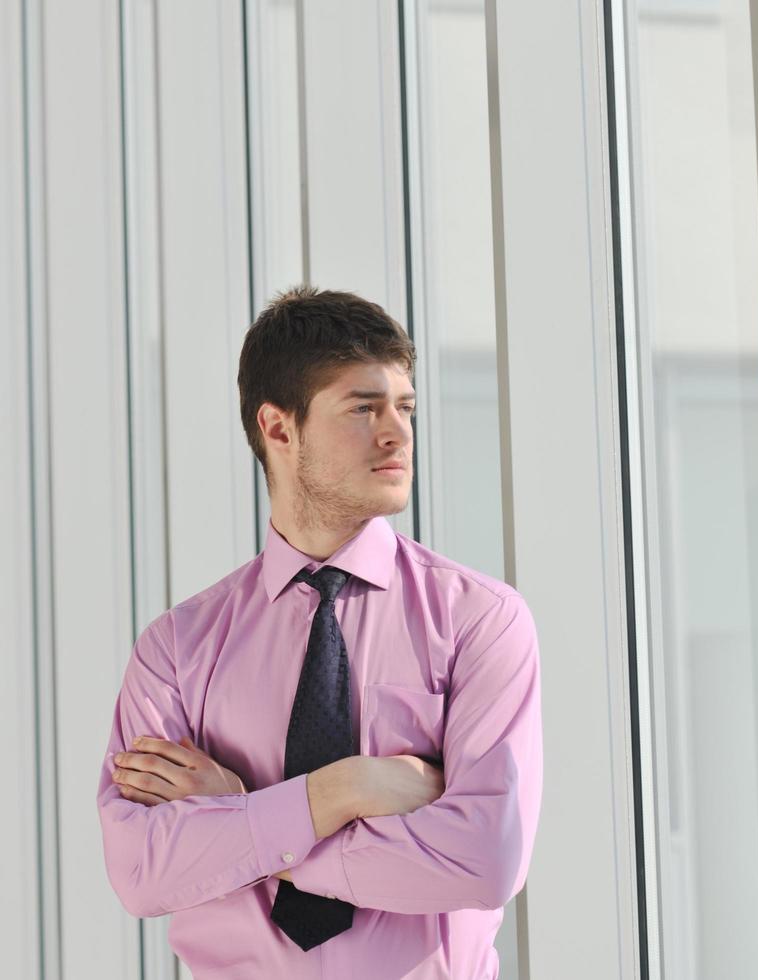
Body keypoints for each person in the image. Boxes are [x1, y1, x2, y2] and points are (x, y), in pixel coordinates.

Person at [96, 284, 543, 979]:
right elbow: (142, 870)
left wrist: (242, 819)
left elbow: (484, 861)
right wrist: (342, 792)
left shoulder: (478, 620)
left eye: (405, 408)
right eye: (363, 409)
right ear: (278, 428)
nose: (396, 433)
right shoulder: (178, 647)